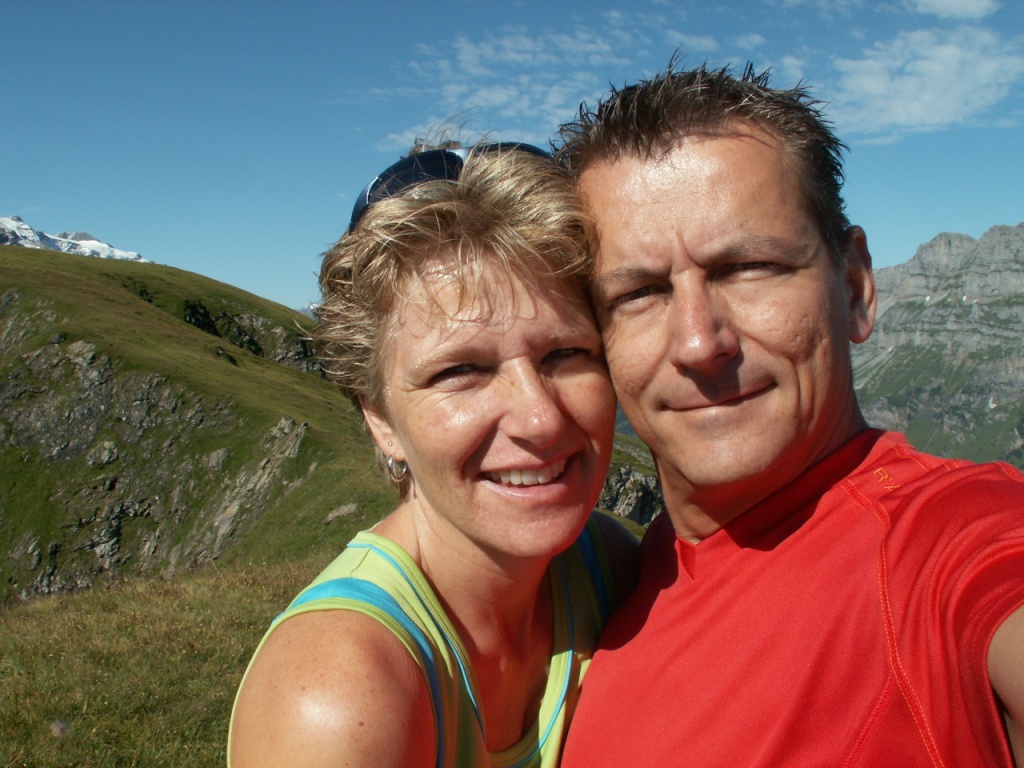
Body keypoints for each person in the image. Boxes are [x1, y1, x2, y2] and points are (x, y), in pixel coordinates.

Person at [555, 62, 1024, 766]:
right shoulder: (610, 585)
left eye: (749, 267)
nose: (698, 342)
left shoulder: (949, 540)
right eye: (639, 293)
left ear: (856, 287)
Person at [228, 143, 637, 768]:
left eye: (566, 353)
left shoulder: (609, 567)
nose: (540, 418)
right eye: (461, 370)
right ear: (380, 419)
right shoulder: (337, 703)